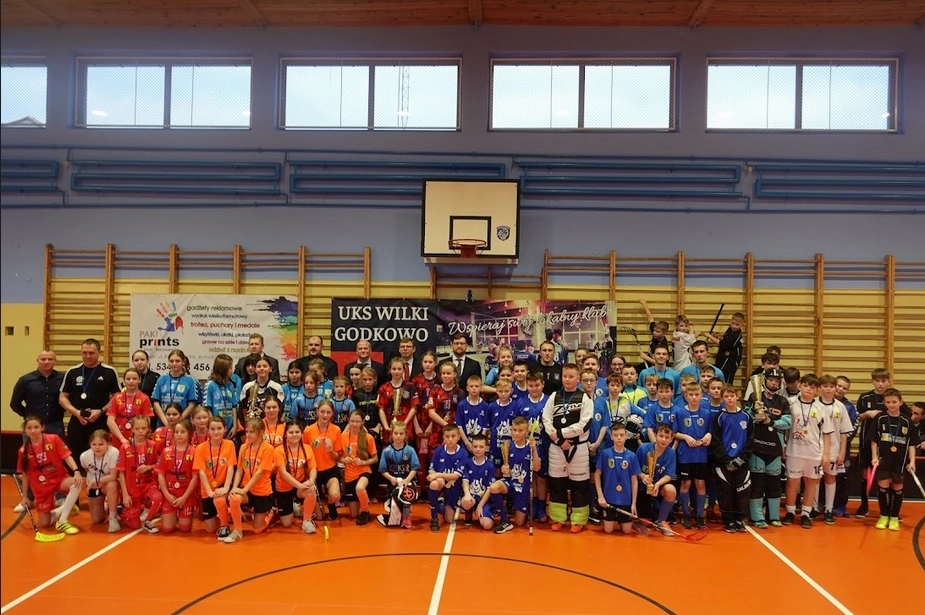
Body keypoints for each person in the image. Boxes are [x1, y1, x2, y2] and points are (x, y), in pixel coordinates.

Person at [542, 363, 593, 533]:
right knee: (557, 484)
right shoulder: (554, 396)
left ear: (578, 379)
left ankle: (578, 520)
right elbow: (546, 419)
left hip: (578, 448)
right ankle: (558, 518)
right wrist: (559, 440)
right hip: (557, 448)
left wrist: (560, 434)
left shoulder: (585, 398)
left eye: (571, 376)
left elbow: (584, 424)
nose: (567, 379)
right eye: (565, 376)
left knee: (579, 485)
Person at [17, 415, 84, 535]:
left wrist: (76, 471)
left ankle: (62, 521)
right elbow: (25, 475)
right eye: (29, 428)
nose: (33, 430)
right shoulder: (23, 451)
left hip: (59, 479)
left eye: (36, 427)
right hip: (41, 487)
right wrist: (25, 496)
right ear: (25, 430)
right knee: (45, 523)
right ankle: (66, 507)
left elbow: (67, 456)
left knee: (77, 482)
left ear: (42, 427)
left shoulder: (53, 439)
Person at [854, 368, 906, 517]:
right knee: (866, 475)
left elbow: (907, 417)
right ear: (872, 381)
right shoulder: (865, 397)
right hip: (868, 442)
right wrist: (867, 414)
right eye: (877, 381)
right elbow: (856, 418)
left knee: (889, 478)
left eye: (884, 381)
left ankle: (891, 510)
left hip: (888, 444)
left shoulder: (893, 398)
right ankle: (864, 505)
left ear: (889, 381)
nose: (881, 384)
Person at [59, 338, 121, 463]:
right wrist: (77, 413)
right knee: (76, 457)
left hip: (100, 422)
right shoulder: (72, 372)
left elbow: (118, 397)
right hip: (78, 422)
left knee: (101, 458)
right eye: (84, 353)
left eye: (91, 353)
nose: (88, 356)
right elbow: (62, 398)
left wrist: (101, 411)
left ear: (100, 353)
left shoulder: (109, 371)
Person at [783, 374, 833, 529]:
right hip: (794, 450)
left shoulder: (821, 407)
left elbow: (826, 432)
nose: (808, 389)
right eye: (805, 385)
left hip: (814, 452)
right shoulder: (790, 403)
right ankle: (790, 511)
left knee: (811, 482)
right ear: (800, 386)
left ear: (817, 390)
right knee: (792, 482)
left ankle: (806, 513)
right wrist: (783, 446)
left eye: (812, 387)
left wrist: (826, 454)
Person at [744, 368, 790, 528]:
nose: (773, 383)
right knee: (757, 484)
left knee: (774, 485)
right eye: (771, 380)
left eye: (776, 381)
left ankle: (774, 516)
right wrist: (754, 412)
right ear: (765, 381)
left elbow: (788, 422)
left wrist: (771, 422)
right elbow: (746, 417)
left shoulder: (783, 401)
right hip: (757, 447)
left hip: (775, 449)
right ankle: (757, 517)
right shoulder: (754, 396)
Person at [869, 388, 918, 531]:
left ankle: (894, 517)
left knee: (897, 489)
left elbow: (912, 444)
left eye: (894, 402)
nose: (891, 405)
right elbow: (874, 440)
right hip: (883, 460)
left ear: (901, 402)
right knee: (883, 488)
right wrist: (874, 457)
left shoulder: (907, 421)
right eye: (888, 402)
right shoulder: (880, 419)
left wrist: (912, 461)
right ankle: (884, 516)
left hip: (900, 462)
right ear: (884, 403)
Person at [223, 418, 276, 543]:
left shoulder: (268, 448)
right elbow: (239, 470)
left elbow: (259, 472)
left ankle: (270, 514)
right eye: (247, 431)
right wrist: (235, 488)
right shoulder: (243, 447)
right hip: (248, 491)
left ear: (261, 432)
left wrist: (244, 489)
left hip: (262, 492)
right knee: (234, 498)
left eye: (252, 432)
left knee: (256, 530)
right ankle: (238, 531)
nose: (248, 435)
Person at [482, 416, 538, 533]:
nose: (516, 433)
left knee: (519, 523)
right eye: (514, 430)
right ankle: (505, 520)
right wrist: (505, 469)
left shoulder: (530, 447)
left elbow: (537, 468)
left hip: (523, 488)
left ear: (527, 431)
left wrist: (534, 451)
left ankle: (523, 510)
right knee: (494, 487)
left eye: (520, 430)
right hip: (510, 483)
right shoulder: (508, 445)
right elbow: (506, 470)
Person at [709, 385, 754, 533]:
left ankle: (739, 519)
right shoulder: (719, 417)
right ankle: (728, 520)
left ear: (737, 397)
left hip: (741, 462)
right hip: (724, 463)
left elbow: (750, 440)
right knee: (725, 492)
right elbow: (716, 440)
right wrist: (725, 459)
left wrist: (742, 458)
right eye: (726, 396)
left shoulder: (746, 416)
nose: (729, 399)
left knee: (742, 491)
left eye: (732, 396)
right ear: (722, 398)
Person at [673, 384, 712, 530]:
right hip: (685, 455)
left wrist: (708, 435)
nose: (694, 397)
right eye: (691, 395)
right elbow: (674, 433)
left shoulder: (707, 413)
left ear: (701, 396)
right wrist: (686, 437)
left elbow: (711, 431)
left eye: (697, 395)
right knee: (686, 484)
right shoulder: (680, 412)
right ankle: (686, 514)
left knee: (700, 484)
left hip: (701, 455)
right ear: (686, 396)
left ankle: (700, 515)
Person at [816, 375, 853, 525]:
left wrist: (842, 452)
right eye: (825, 386)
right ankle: (813, 507)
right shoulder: (814, 404)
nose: (829, 389)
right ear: (820, 388)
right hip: (815, 448)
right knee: (814, 478)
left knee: (830, 477)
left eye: (831, 386)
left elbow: (844, 431)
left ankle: (829, 509)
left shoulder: (840, 407)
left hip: (834, 449)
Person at [116, 415, 163, 534]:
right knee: (135, 525)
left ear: (148, 429)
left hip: (148, 484)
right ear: (132, 429)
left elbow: (158, 465)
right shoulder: (125, 447)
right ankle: (121, 510)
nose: (141, 431)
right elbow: (121, 473)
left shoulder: (152, 445)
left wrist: (149, 467)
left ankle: (148, 521)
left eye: (144, 428)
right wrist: (125, 495)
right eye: (137, 428)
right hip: (132, 488)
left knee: (158, 498)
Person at [193, 416, 237, 539]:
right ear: (208, 430)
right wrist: (209, 492)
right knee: (210, 529)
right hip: (207, 489)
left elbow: (230, 468)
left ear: (225, 429)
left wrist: (226, 488)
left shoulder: (229, 444)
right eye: (212, 429)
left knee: (219, 500)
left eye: (219, 428)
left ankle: (225, 525)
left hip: (222, 485)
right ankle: (226, 512)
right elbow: (201, 472)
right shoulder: (201, 448)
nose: (216, 432)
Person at [594, 423, 641, 535]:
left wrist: (633, 504)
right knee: (608, 531)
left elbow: (634, 481)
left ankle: (626, 522)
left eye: (621, 435)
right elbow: (596, 475)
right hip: (608, 500)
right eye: (615, 435)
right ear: (611, 437)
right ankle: (608, 518)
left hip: (625, 500)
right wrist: (600, 496)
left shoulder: (631, 456)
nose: (619, 438)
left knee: (627, 531)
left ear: (626, 436)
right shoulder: (606, 453)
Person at [303, 399, 345, 521]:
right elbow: (304, 454)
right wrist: (308, 474)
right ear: (317, 412)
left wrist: (331, 451)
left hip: (330, 470)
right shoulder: (308, 430)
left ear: (332, 413)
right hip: (314, 471)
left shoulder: (336, 430)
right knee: (320, 517)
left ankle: (331, 504)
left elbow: (338, 457)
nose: (325, 415)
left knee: (335, 495)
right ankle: (318, 501)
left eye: (328, 412)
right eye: (322, 412)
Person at [155, 419, 199, 534]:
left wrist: (184, 498)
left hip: (186, 496)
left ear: (190, 434)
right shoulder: (166, 451)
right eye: (176, 432)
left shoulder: (194, 452)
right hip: (170, 495)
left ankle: (183, 515)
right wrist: (167, 495)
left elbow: (195, 477)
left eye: (182, 432)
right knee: (167, 529)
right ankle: (173, 515)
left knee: (185, 529)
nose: (179, 434)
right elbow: (161, 474)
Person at [275, 420, 319, 533]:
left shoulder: (307, 448)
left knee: (311, 491)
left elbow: (313, 468)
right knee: (287, 523)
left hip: (301, 484)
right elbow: (283, 473)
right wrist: (300, 486)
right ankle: (292, 505)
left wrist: (311, 481)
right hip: (284, 487)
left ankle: (306, 521)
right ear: (285, 434)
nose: (294, 435)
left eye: (297, 432)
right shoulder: (279, 450)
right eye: (291, 432)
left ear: (301, 433)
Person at [10, 350, 66, 439]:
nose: (46, 362)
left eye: (50, 359)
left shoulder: (63, 379)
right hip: (33, 425)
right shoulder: (25, 380)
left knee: (56, 448)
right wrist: (28, 416)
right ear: (37, 361)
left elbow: (69, 398)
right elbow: (14, 403)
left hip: (55, 424)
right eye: (43, 359)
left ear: (55, 361)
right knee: (31, 448)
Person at [377, 421, 421, 528]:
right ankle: (395, 512)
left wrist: (407, 480)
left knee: (407, 496)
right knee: (394, 514)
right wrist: (391, 478)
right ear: (391, 434)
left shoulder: (410, 450)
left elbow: (415, 468)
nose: (398, 436)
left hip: (407, 483)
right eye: (395, 433)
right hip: (392, 483)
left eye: (401, 434)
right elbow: (383, 470)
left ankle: (406, 517)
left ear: (405, 435)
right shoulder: (386, 451)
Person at [426, 423, 469, 531]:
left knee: (449, 519)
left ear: (458, 437)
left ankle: (439, 504)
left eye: (453, 436)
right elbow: (431, 470)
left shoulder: (463, 453)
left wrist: (438, 475)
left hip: (454, 486)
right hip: (440, 482)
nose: (450, 439)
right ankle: (434, 518)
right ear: (443, 438)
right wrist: (437, 478)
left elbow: (455, 476)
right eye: (447, 436)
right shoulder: (438, 451)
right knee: (434, 484)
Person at [635, 423, 678, 531]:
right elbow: (634, 468)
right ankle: (640, 518)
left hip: (657, 487)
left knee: (671, 490)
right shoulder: (643, 449)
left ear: (671, 439)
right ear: (655, 435)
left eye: (667, 437)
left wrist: (658, 484)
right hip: (642, 487)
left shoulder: (671, 453)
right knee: (646, 523)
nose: (663, 440)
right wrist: (642, 476)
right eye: (661, 436)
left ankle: (661, 521)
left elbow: (669, 475)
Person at [79, 429, 121, 533]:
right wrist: (92, 482)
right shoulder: (84, 456)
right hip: (94, 487)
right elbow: (87, 470)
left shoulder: (114, 452)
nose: (97, 447)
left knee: (113, 484)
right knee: (97, 519)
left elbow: (113, 476)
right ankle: (106, 505)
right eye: (94, 444)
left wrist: (95, 481)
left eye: (101, 444)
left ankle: (113, 517)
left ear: (108, 443)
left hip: (107, 484)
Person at [340, 410, 378, 525]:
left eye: (357, 422)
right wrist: (343, 460)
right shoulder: (342, 437)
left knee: (360, 487)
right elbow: (337, 457)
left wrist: (363, 462)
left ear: (362, 422)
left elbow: (375, 459)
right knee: (353, 515)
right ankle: (362, 503)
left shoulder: (368, 437)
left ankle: (365, 511)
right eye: (352, 421)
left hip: (364, 471)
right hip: (349, 475)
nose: (354, 424)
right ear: (348, 421)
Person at [377, 357, 420, 445]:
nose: (396, 372)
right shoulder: (384, 388)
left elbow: (414, 407)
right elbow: (381, 408)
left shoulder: (410, 386)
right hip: (389, 426)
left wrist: (404, 424)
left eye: (399, 369)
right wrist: (385, 426)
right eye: (394, 369)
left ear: (404, 370)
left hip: (406, 426)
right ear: (390, 370)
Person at [107, 367, 154, 446]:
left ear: (139, 380)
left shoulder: (144, 398)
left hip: (137, 440)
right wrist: (122, 439)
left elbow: (147, 421)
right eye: (128, 379)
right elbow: (110, 421)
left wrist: (137, 438)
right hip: (118, 438)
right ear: (124, 381)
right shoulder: (116, 397)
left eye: (134, 379)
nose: (131, 381)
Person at [832, 375, 858, 516]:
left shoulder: (849, 406)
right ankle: (822, 504)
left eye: (845, 388)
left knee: (842, 477)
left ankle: (841, 505)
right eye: (839, 385)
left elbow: (853, 427)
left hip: (843, 449)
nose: (841, 389)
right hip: (824, 447)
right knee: (822, 476)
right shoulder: (822, 402)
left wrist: (841, 443)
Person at [460, 433, 496, 530]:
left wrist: (480, 506)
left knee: (487, 525)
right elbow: (465, 481)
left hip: (484, 499)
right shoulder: (468, 463)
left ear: (486, 448)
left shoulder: (490, 465)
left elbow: (490, 488)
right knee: (466, 501)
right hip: (472, 496)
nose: (478, 449)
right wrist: (467, 494)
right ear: (471, 448)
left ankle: (484, 511)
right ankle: (468, 513)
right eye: (475, 446)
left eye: (481, 446)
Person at [151, 349, 199, 422]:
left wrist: (179, 420)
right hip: (164, 422)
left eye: (177, 361)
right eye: (171, 361)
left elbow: (192, 404)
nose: (174, 363)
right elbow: (156, 402)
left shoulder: (190, 380)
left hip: (182, 422)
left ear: (183, 362)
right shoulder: (162, 379)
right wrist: (165, 421)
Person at [202, 354, 241, 438]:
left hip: (230, 427)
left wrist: (235, 426)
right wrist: (213, 427)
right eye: (230, 368)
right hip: (216, 428)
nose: (232, 370)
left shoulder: (230, 385)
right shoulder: (210, 385)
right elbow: (207, 408)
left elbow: (234, 406)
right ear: (223, 369)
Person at [456, 374, 489, 455]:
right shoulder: (462, 405)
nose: (474, 388)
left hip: (479, 445)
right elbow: (459, 426)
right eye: (471, 386)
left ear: (481, 388)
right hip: (465, 444)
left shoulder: (485, 406)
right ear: (467, 388)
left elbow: (485, 427)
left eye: (476, 386)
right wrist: (467, 443)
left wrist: (478, 443)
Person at [644, 378, 678, 444]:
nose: (664, 394)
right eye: (661, 391)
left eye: (667, 391)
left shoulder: (677, 410)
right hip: (656, 444)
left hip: (672, 446)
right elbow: (649, 429)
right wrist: (656, 446)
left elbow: (677, 432)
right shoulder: (652, 409)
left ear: (672, 392)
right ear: (657, 392)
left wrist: (673, 448)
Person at [714, 312, 745, 384]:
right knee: (719, 380)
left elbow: (723, 345)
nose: (734, 326)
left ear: (742, 325)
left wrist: (709, 336)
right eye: (732, 323)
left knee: (726, 383)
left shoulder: (736, 336)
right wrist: (719, 336)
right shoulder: (730, 329)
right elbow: (726, 339)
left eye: (737, 325)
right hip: (722, 359)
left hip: (729, 363)